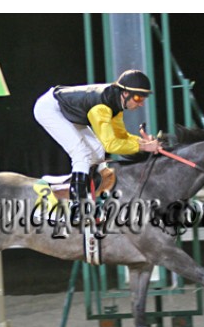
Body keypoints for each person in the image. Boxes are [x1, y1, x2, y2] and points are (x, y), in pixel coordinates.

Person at [33, 69, 162, 223]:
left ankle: (60, 189)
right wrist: (144, 147)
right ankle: (77, 208)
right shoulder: (102, 107)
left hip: (68, 112)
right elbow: (111, 145)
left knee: (97, 151)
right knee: (81, 153)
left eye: (143, 98)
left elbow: (121, 136)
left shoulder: (116, 103)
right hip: (49, 109)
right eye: (137, 97)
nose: (141, 103)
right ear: (125, 93)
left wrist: (144, 143)